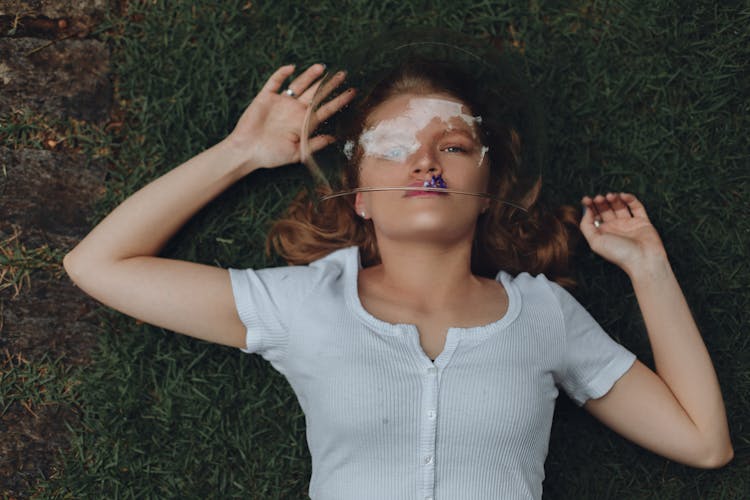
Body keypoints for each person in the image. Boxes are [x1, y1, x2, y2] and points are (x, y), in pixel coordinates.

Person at [63, 60, 733, 499]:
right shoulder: (306, 303)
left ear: (488, 185)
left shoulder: (542, 316)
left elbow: (702, 442)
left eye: (453, 145)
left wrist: (648, 267)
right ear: (360, 197)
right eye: (392, 147)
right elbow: (97, 265)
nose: (423, 161)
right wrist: (242, 154)